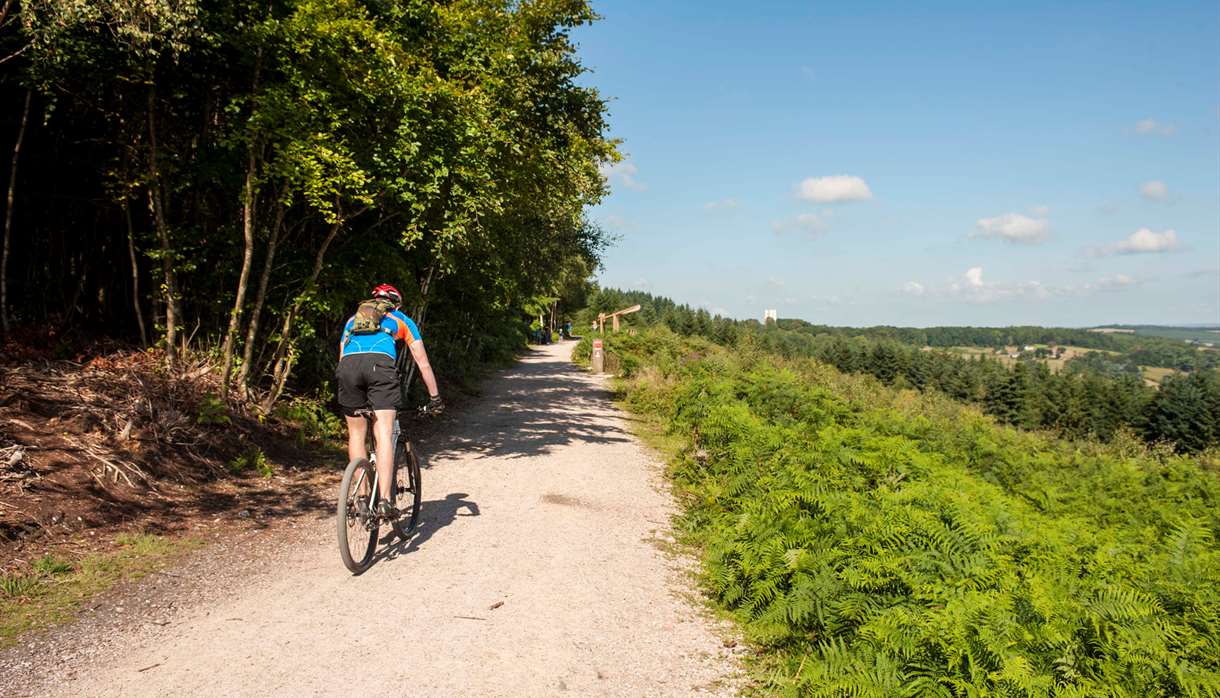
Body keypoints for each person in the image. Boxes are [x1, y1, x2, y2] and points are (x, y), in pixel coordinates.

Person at [335, 283, 441, 518]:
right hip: (379, 368)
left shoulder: (353, 320)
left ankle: (361, 498)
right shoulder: (402, 319)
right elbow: (422, 362)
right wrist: (435, 397)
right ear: (397, 303)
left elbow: (342, 356)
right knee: (384, 431)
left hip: (348, 369)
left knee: (356, 434)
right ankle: (384, 500)